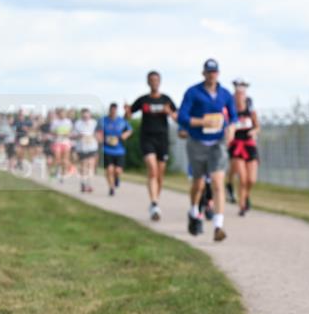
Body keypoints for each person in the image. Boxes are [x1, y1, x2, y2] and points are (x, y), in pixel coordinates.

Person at [177, 58, 237, 241]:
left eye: (215, 72)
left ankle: (218, 226)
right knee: (199, 183)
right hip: (197, 142)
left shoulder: (225, 94)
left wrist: (231, 129)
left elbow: (233, 116)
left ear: (218, 74)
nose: (212, 75)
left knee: (218, 183)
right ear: (203, 73)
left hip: (217, 143)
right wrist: (202, 122)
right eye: (209, 72)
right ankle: (194, 210)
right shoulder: (193, 92)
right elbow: (182, 117)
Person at [127, 71, 178, 221]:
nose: (154, 82)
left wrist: (169, 112)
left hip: (162, 139)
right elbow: (128, 115)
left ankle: (155, 200)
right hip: (147, 138)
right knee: (152, 170)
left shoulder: (166, 99)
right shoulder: (143, 100)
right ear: (148, 82)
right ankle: (154, 203)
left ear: (160, 81)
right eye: (151, 80)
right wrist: (127, 111)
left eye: (156, 80)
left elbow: (177, 118)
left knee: (160, 175)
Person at [227, 79, 260, 216]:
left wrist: (254, 131)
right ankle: (242, 205)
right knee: (243, 177)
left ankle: (246, 195)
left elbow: (257, 126)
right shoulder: (230, 110)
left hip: (249, 145)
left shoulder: (250, 109)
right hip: (236, 145)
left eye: (242, 94)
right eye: (238, 93)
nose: (240, 96)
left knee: (251, 179)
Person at [97, 103, 133, 196]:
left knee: (118, 170)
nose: (113, 112)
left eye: (115, 111)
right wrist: (100, 138)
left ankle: (116, 178)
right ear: (109, 110)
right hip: (107, 149)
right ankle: (111, 187)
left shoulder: (121, 121)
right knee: (109, 169)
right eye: (111, 110)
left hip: (119, 150)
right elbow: (97, 132)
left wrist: (125, 135)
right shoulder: (103, 120)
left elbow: (129, 130)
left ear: (116, 111)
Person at [73, 108, 99, 193]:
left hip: (92, 147)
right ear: (81, 115)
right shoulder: (78, 124)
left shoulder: (94, 123)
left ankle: (89, 184)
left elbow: (98, 134)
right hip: (81, 148)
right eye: (84, 116)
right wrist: (79, 136)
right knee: (84, 166)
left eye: (87, 115)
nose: (86, 117)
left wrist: (96, 137)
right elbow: (73, 135)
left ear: (90, 115)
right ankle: (83, 183)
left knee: (90, 165)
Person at [50, 108, 74, 182]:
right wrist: (56, 133)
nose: (62, 115)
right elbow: (52, 132)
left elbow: (71, 132)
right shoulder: (55, 122)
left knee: (64, 160)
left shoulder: (68, 122)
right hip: (57, 142)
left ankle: (63, 175)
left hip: (66, 142)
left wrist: (67, 134)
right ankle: (57, 170)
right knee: (57, 158)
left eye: (63, 113)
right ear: (58, 114)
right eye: (61, 114)